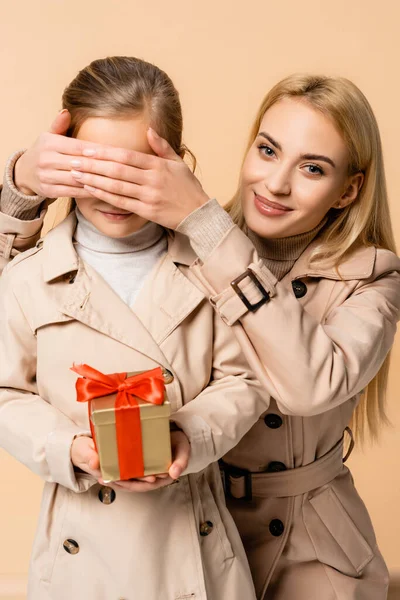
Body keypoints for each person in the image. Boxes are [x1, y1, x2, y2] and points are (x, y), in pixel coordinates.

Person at [2, 74, 400, 600]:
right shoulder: (196, 240)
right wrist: (24, 185)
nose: (276, 184)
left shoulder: (230, 249)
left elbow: (301, 386)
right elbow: (24, 295)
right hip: (184, 524)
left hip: (304, 544)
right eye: (267, 149)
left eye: (312, 167)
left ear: (348, 188)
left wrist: (209, 228)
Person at [0, 56, 270, 600]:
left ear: (176, 161)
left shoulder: (214, 265)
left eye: (134, 169)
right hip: (81, 555)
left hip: (194, 551)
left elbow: (248, 381)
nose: (111, 191)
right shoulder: (28, 276)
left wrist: (186, 438)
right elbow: (6, 394)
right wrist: (72, 448)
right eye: (92, 169)